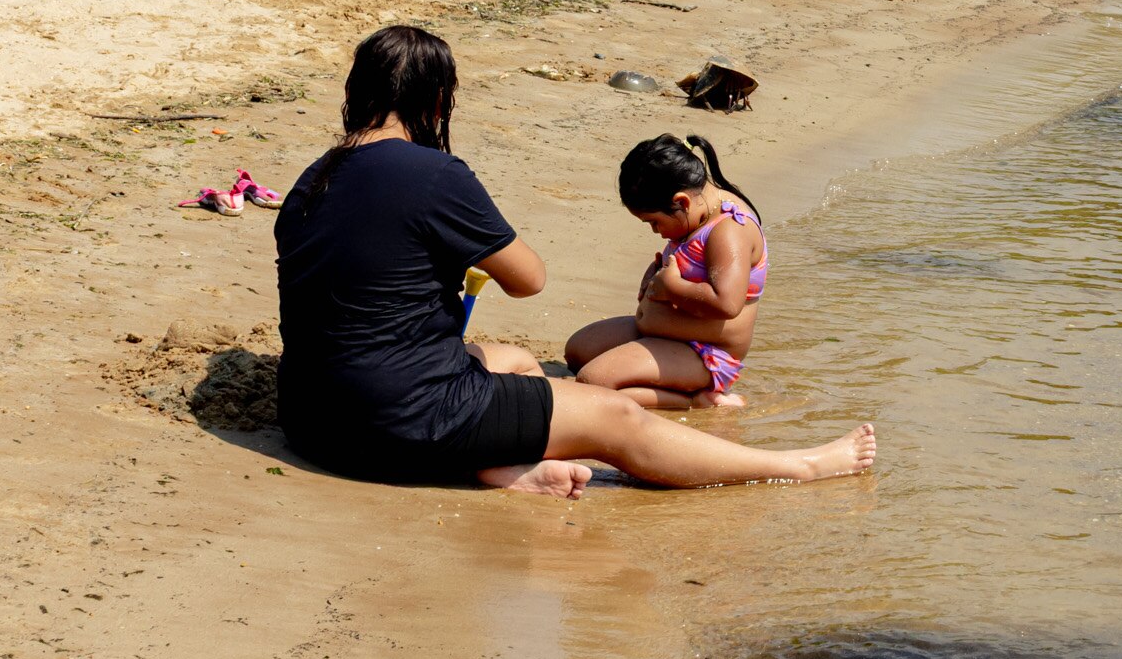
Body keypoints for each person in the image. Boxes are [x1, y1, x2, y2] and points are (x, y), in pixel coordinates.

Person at [273, 24, 873, 496]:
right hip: (394, 420)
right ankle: (798, 466)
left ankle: (504, 472)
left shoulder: (311, 178)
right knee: (612, 417)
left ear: (356, 92)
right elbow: (528, 279)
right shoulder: (434, 175)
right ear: (437, 101)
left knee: (516, 363)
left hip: (311, 418)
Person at [563, 134, 768, 411]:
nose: (654, 231)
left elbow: (727, 303)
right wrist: (656, 271)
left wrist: (672, 288)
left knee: (592, 382)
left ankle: (694, 399)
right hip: (666, 335)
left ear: (682, 203)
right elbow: (692, 262)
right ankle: (652, 383)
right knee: (578, 351)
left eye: (654, 222)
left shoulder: (730, 230)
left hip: (704, 354)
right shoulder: (697, 211)